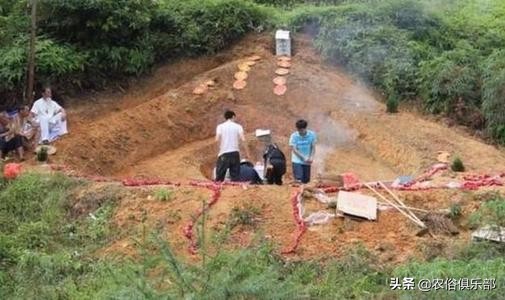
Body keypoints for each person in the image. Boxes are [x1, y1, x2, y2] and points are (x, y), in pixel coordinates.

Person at [215, 110, 250, 182]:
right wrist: (247, 153)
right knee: (235, 178)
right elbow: (243, 140)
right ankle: (235, 192)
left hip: (223, 153)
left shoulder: (220, 126)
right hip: (235, 153)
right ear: (233, 116)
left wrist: (219, 149)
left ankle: (219, 191)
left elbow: (217, 139)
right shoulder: (238, 126)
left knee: (219, 176)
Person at [289, 119, 317, 184]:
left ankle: (304, 193)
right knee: (299, 179)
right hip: (297, 160)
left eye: (302, 130)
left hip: (307, 161)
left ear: (305, 128)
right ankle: (298, 192)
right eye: (299, 130)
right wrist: (303, 158)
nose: (300, 132)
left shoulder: (311, 135)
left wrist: (311, 157)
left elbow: (313, 147)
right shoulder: (294, 136)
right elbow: (294, 149)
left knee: (306, 180)